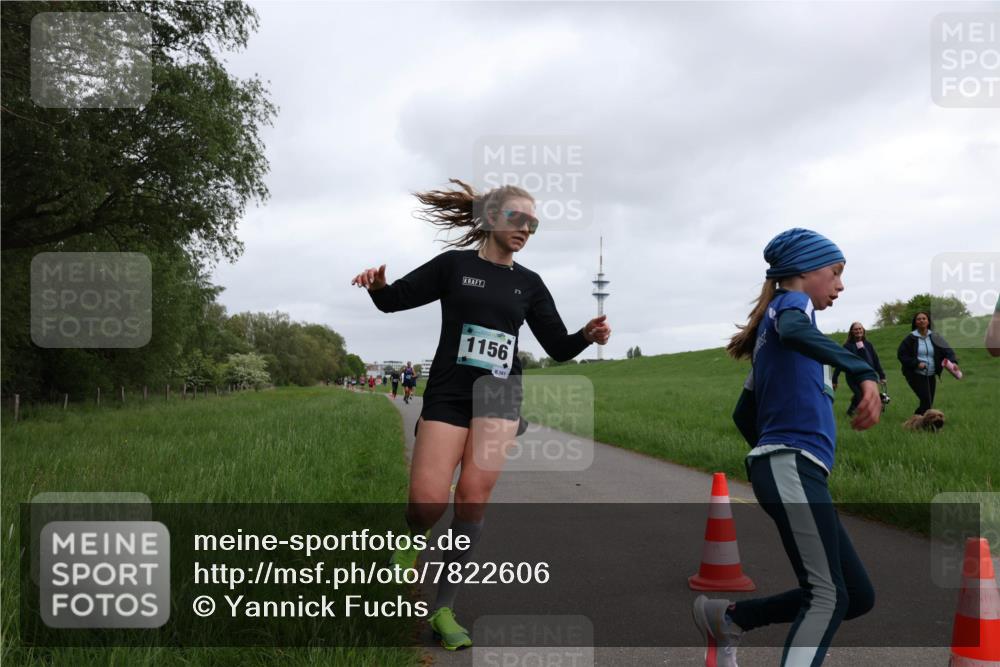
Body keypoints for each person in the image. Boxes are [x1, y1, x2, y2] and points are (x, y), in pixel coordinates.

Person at [351, 179, 611, 650]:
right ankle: (411, 539)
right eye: (518, 219)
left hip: (500, 397)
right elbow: (393, 301)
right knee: (428, 502)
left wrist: (586, 336)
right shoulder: (454, 266)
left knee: (471, 500)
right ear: (491, 218)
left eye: (533, 224)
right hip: (449, 393)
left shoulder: (529, 284)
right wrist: (379, 286)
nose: (526, 229)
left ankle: (443, 609)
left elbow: (557, 346)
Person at [694, 228, 879, 667]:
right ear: (805, 271)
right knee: (827, 595)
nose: (840, 285)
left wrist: (771, 457)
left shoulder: (773, 333)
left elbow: (744, 413)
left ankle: (731, 618)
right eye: (835, 272)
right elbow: (795, 331)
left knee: (855, 594)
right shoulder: (791, 305)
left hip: (794, 469)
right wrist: (860, 369)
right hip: (791, 466)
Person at [896, 311, 960, 415]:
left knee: (928, 402)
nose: (921, 321)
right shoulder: (911, 338)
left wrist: (953, 362)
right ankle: (919, 421)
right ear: (915, 322)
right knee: (926, 401)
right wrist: (917, 363)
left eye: (924, 318)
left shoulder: (935, 337)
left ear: (928, 321)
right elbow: (901, 354)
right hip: (915, 375)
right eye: (919, 319)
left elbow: (947, 350)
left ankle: (917, 420)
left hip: (931, 374)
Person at [831, 322, 886, 417]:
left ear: (863, 330)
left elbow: (875, 361)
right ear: (852, 332)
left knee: (862, 395)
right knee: (860, 396)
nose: (858, 331)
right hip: (853, 377)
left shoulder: (868, 345)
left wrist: (882, 376)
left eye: (860, 329)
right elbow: (840, 363)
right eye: (856, 329)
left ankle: (850, 412)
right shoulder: (847, 346)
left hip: (867, 376)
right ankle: (863, 415)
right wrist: (834, 379)